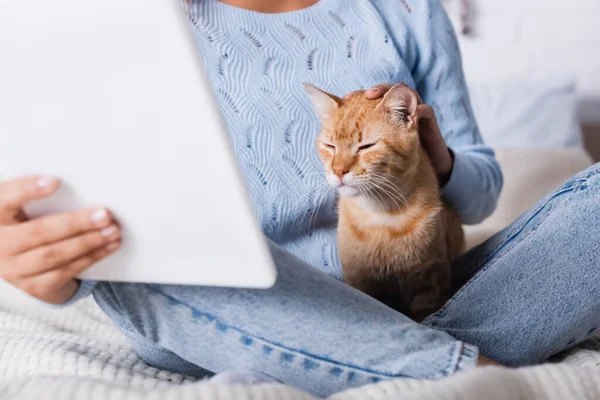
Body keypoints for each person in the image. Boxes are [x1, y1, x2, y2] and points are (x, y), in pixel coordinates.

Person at [0, 0, 599, 397]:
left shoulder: (406, 8)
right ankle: (457, 370)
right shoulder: (140, 17)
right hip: (244, 307)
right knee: (135, 263)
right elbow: (112, 208)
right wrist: (56, 266)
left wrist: (432, 156)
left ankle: (387, 363)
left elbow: (481, 195)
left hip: (401, 296)